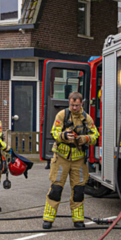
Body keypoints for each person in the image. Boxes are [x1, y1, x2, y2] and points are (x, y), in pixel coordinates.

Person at [42, 92, 99, 229]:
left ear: (82, 104)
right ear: (69, 103)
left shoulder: (87, 118)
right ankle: (48, 219)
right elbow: (54, 132)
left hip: (78, 159)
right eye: (72, 105)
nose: (74, 108)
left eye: (77, 105)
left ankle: (78, 219)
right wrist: (64, 136)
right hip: (61, 158)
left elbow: (95, 135)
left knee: (79, 190)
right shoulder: (62, 115)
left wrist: (85, 139)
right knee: (56, 188)